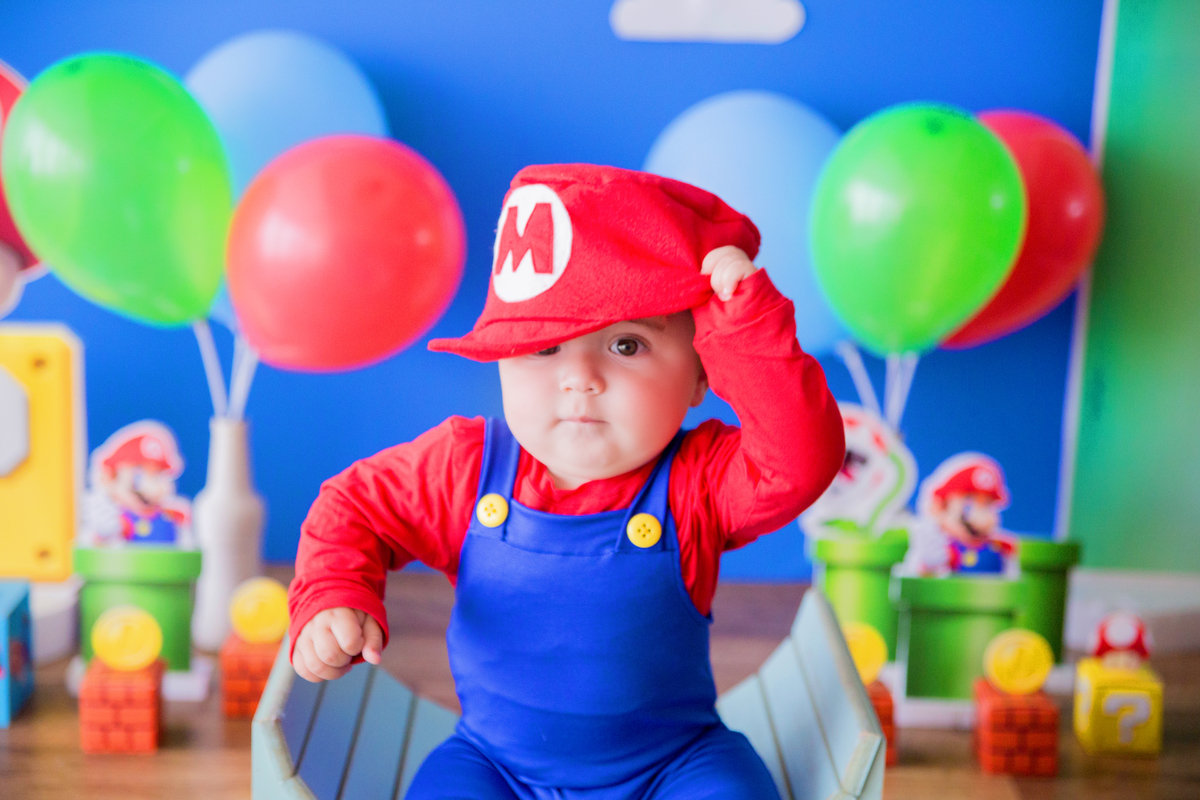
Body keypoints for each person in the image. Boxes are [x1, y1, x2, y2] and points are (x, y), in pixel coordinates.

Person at [287, 164, 844, 799]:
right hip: (497, 764)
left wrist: (744, 329)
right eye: (545, 347)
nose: (579, 379)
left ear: (699, 375)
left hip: (673, 763)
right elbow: (356, 505)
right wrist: (335, 590)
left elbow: (798, 462)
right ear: (501, 359)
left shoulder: (700, 481)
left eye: (627, 346)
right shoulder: (465, 467)